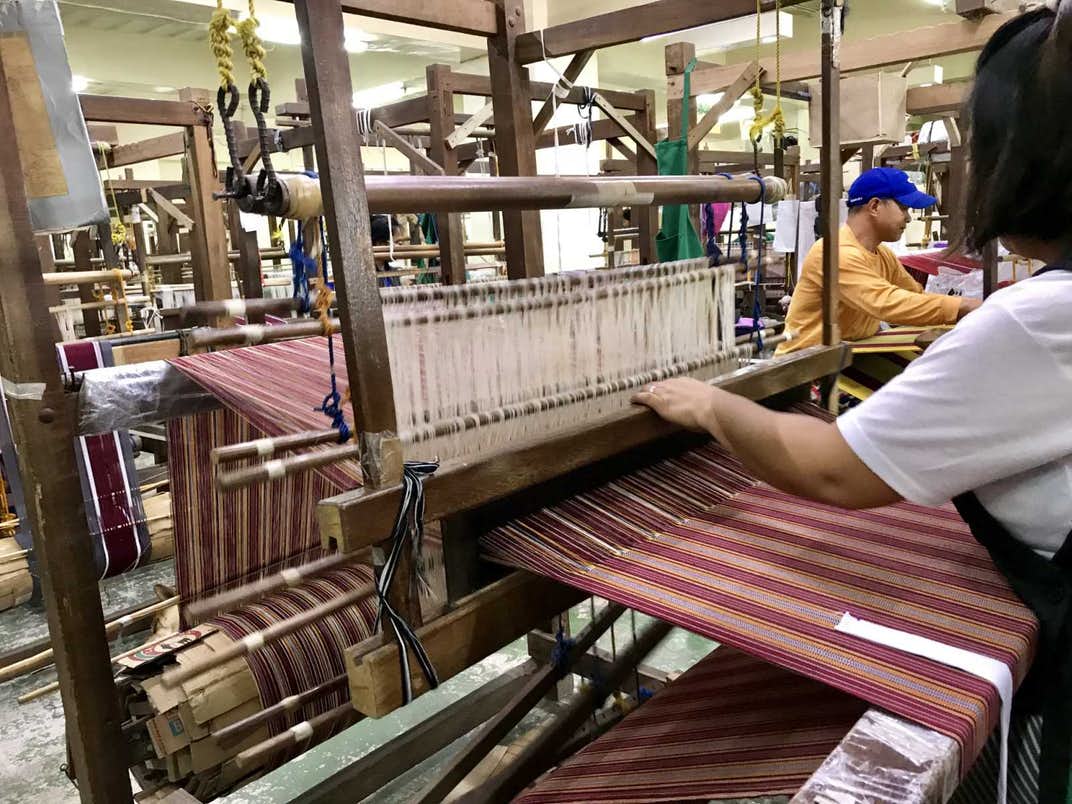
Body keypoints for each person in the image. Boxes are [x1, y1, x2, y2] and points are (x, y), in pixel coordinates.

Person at [635, 5, 1072, 801]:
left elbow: (842, 459)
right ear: (873, 208)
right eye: (902, 201)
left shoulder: (1033, 310)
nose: (916, 207)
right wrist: (967, 316)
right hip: (815, 371)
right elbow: (904, 309)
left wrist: (710, 407)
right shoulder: (843, 253)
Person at [777, 167, 980, 354]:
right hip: (804, 366)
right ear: (874, 206)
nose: (908, 218)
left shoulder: (882, 254)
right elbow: (886, 302)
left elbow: (913, 296)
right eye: (903, 208)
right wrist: (962, 306)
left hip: (849, 354)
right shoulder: (835, 253)